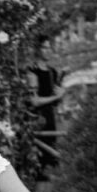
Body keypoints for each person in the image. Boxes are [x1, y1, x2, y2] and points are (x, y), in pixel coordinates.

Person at [27, 41, 65, 177]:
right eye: (44, 47)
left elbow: (55, 101)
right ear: (38, 50)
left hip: (50, 119)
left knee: (51, 160)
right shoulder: (32, 72)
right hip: (36, 119)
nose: (48, 50)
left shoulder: (52, 72)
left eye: (50, 47)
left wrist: (60, 94)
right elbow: (34, 101)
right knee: (38, 160)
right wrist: (57, 97)